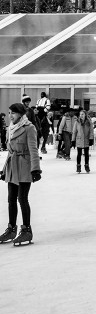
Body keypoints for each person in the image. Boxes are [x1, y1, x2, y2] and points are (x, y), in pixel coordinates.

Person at [0, 102, 41, 245]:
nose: (10, 115)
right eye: (10, 112)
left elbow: (33, 149)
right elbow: (10, 151)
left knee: (22, 198)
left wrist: (35, 169)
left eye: (13, 113)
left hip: (24, 166)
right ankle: (11, 229)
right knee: (11, 199)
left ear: (21, 114)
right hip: (12, 166)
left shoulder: (29, 128)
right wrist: (5, 169)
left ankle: (26, 230)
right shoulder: (10, 128)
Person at [71, 109, 94, 174]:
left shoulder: (89, 122)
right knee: (79, 154)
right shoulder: (77, 122)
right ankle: (78, 166)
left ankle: (87, 166)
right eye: (80, 114)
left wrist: (91, 139)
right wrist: (73, 140)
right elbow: (74, 132)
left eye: (82, 114)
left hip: (86, 140)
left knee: (86, 154)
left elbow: (91, 131)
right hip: (79, 140)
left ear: (85, 115)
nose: (81, 116)